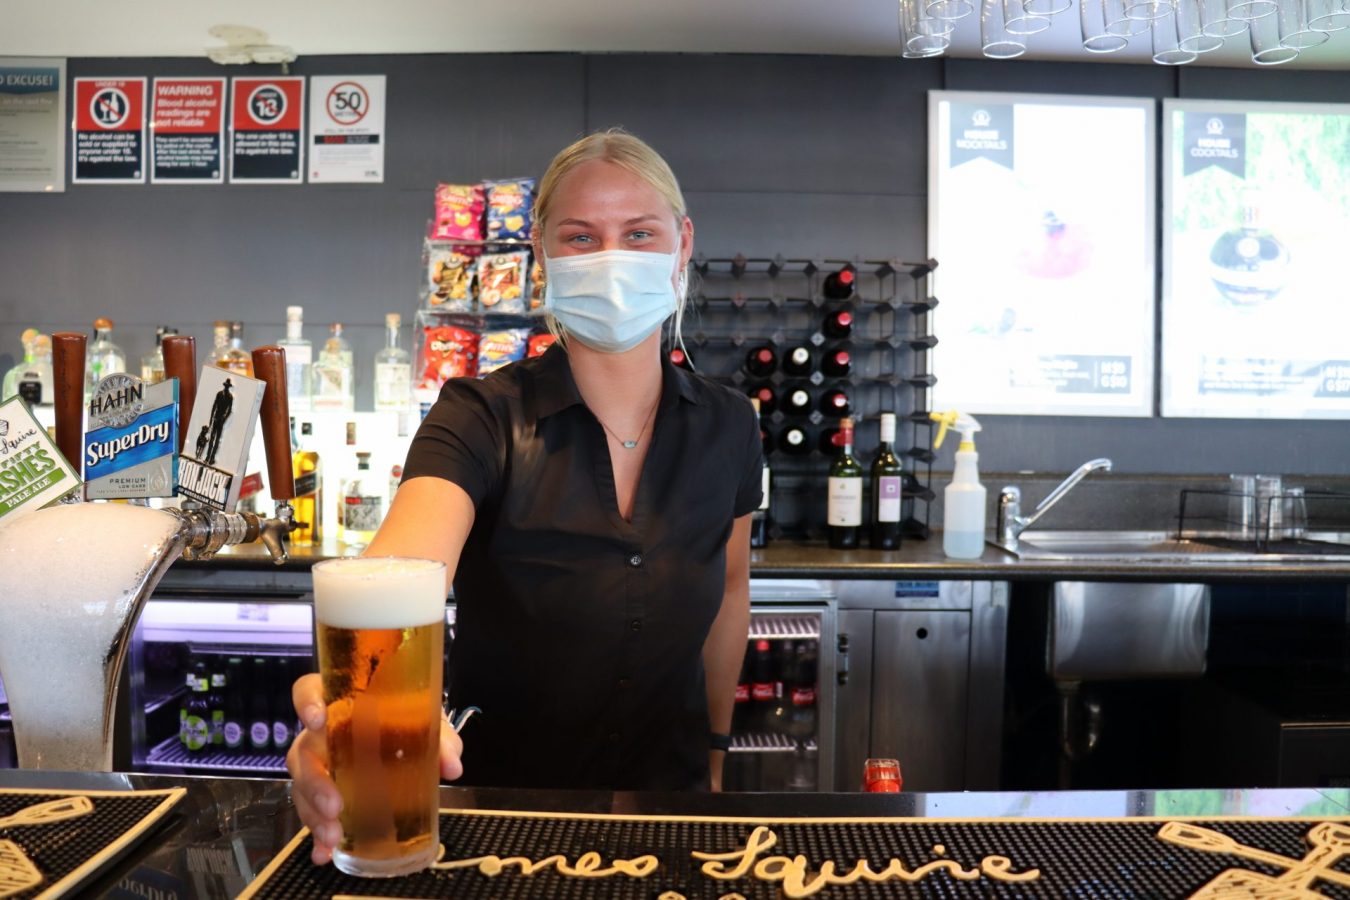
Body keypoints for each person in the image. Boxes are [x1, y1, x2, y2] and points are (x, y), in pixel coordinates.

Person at [286, 128, 764, 864]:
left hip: (672, 812)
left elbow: (731, 591)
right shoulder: (478, 416)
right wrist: (341, 716)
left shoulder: (731, 424)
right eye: (581, 237)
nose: (612, 258)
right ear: (541, 255)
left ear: (682, 244)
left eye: (639, 233)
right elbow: (401, 567)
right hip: (497, 818)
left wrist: (717, 750)